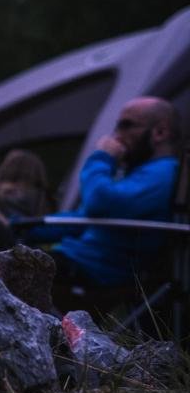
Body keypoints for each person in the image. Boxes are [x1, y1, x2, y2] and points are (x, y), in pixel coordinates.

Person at [26, 96, 181, 287]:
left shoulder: (164, 173)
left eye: (126, 125)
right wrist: (20, 226)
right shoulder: (138, 174)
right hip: (74, 261)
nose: (116, 136)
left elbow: (99, 201)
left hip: (91, 271)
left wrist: (102, 157)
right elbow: (85, 218)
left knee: (4, 271)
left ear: (159, 132)